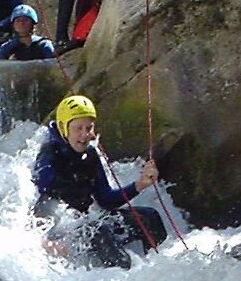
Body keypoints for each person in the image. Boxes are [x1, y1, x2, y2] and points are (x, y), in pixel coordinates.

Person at [32, 93, 166, 269]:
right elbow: (42, 184)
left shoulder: (90, 155)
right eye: (78, 128)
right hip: (61, 232)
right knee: (99, 232)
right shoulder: (50, 153)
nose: (84, 135)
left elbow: (106, 200)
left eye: (89, 128)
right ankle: (125, 272)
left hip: (86, 223)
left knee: (149, 217)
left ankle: (160, 268)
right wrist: (46, 241)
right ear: (64, 128)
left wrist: (139, 185)